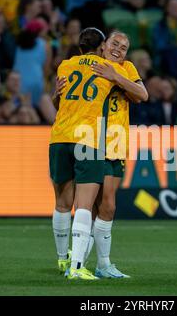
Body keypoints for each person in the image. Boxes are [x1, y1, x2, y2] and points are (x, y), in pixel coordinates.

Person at [50, 27, 129, 280]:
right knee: (84, 205)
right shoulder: (107, 70)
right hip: (88, 137)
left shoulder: (65, 66)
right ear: (103, 46)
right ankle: (76, 268)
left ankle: (63, 261)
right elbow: (139, 95)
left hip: (60, 137)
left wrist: (54, 94)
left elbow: (59, 100)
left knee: (62, 202)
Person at [81, 31, 148, 278]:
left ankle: (97, 264)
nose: (118, 49)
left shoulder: (127, 68)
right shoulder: (90, 66)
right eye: (114, 44)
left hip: (116, 144)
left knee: (106, 206)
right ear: (103, 46)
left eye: (124, 46)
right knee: (89, 205)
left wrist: (115, 76)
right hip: (89, 139)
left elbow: (142, 95)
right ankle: (83, 262)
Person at [13, 18, 50, 108]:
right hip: (36, 83)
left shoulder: (19, 44)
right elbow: (46, 70)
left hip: (16, 83)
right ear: (40, 32)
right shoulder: (45, 45)